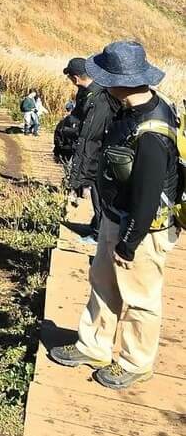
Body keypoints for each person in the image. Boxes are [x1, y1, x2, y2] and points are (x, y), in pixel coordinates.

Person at [50, 41, 179, 390]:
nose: (101, 83)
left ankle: (136, 362)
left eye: (106, 77)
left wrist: (129, 243)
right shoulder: (127, 109)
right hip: (114, 216)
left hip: (143, 229)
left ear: (122, 80)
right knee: (102, 282)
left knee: (140, 297)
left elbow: (148, 196)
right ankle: (93, 345)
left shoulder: (153, 128)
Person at [65, 56, 115, 244]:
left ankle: (99, 234)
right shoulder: (94, 93)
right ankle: (97, 226)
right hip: (98, 153)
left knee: (99, 194)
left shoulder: (98, 98)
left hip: (99, 155)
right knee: (97, 193)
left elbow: (91, 135)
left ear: (76, 78)